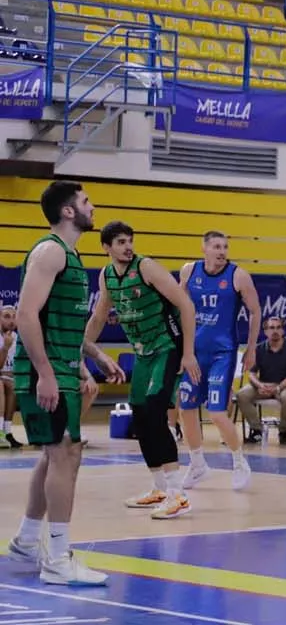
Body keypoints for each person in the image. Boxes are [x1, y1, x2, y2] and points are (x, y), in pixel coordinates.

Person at [6, 180, 124, 585]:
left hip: (61, 368)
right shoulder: (51, 251)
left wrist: (94, 355)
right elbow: (25, 316)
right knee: (64, 454)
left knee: (57, 453)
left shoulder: (69, 256)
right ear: (69, 211)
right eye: (86, 201)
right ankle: (58, 558)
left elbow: (61, 325)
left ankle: (25, 540)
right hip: (46, 372)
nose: (93, 206)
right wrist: (46, 373)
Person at [85, 221, 198, 520]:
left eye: (130, 241)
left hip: (167, 347)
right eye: (120, 242)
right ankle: (160, 488)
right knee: (140, 415)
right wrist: (81, 347)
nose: (127, 247)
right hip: (143, 354)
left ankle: (179, 495)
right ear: (106, 247)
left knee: (154, 411)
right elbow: (98, 317)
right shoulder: (107, 276)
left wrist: (188, 353)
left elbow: (186, 306)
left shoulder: (146, 268)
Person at [178, 231, 261, 490]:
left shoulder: (238, 275)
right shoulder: (189, 271)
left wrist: (251, 349)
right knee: (186, 408)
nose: (222, 251)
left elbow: (255, 310)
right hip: (194, 353)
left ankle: (239, 462)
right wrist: (182, 350)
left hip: (222, 354)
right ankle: (197, 463)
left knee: (216, 412)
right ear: (204, 248)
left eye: (225, 246)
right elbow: (180, 306)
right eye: (216, 246)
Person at [235, 316, 286, 445]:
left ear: (283, 330)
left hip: (285, 386)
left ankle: (283, 432)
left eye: (278, 327)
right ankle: (256, 430)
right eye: (271, 328)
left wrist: (278, 388)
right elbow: (252, 374)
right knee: (241, 395)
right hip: (263, 384)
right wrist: (260, 385)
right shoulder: (258, 349)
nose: (275, 331)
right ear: (265, 331)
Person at [0, 305, 22, 448]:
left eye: (14, 317)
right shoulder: (6, 341)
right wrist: (5, 348)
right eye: (7, 316)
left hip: (8, 379)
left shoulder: (17, 338)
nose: (11, 321)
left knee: (13, 386)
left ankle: (7, 432)